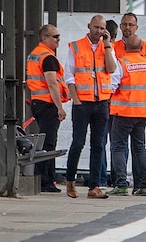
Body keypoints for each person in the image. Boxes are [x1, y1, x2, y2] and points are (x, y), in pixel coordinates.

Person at [64, 14, 116, 199]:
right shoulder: (76, 46)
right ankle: (70, 181)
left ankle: (94, 186)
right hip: (82, 103)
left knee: (98, 145)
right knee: (78, 142)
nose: (99, 32)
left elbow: (111, 69)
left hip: (101, 103)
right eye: (96, 28)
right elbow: (69, 75)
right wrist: (76, 99)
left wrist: (108, 46)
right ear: (89, 26)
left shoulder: (107, 47)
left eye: (102, 29)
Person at [108, 35, 146, 197]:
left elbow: (112, 86)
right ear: (142, 47)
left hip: (124, 112)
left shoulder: (122, 63)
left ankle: (121, 184)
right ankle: (144, 185)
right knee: (140, 148)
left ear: (125, 46)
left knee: (118, 147)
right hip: (143, 114)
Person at [25, 24, 69, 193]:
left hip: (37, 102)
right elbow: (52, 83)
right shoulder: (48, 58)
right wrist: (60, 108)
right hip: (48, 103)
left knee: (44, 142)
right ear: (44, 38)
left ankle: (44, 178)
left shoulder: (35, 54)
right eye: (55, 36)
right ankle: (45, 181)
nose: (58, 39)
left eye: (59, 36)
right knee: (48, 144)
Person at [98, 19, 119, 189]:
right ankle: (118, 178)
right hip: (119, 104)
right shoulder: (119, 52)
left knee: (100, 142)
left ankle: (101, 178)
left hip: (102, 101)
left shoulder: (97, 52)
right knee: (118, 144)